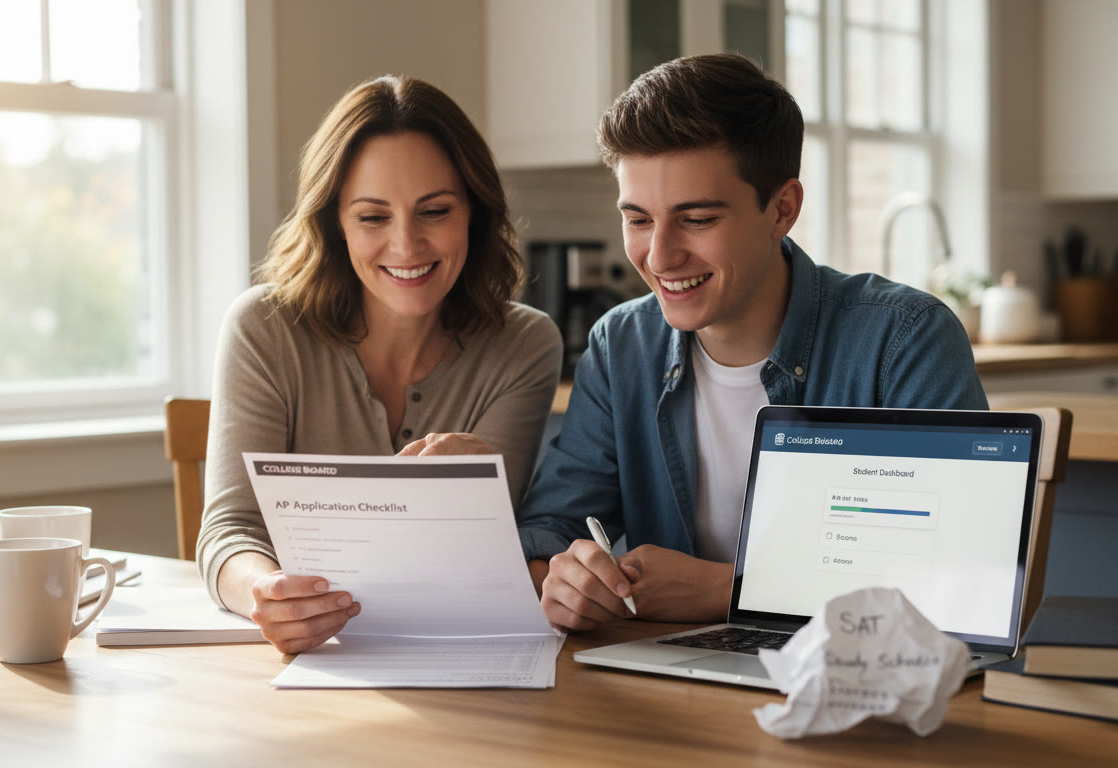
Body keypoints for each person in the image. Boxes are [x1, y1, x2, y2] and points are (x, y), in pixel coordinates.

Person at [517, 54, 986, 633]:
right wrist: (564, 578)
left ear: (782, 209)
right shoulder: (621, 346)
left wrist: (727, 589)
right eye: (638, 220)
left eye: (697, 220)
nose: (660, 257)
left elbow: (959, 578)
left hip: (855, 681)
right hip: (666, 679)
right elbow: (549, 529)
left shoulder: (905, 339)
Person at [198, 75, 563, 653]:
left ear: (475, 211)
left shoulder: (526, 343)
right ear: (334, 224)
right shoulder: (261, 328)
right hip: (298, 667)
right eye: (373, 217)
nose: (407, 244)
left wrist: (476, 498)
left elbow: (478, 560)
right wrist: (264, 594)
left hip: (457, 661)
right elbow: (229, 532)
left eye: (435, 211)